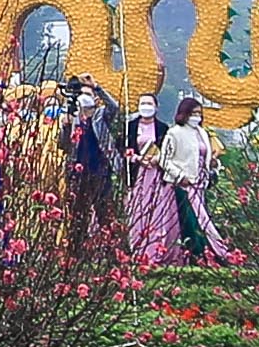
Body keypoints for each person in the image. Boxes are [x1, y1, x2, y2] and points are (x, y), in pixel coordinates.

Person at [160, 105, 237, 263]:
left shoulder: (202, 133)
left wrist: (211, 164)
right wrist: (180, 175)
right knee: (192, 221)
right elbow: (164, 159)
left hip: (200, 183)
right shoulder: (174, 133)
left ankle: (210, 254)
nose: (197, 117)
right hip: (182, 185)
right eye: (193, 113)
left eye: (199, 114)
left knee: (203, 219)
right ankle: (200, 254)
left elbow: (203, 155)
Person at [122, 104, 183, 264]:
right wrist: (136, 158)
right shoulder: (130, 126)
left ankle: (156, 251)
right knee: (137, 210)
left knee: (157, 209)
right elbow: (122, 147)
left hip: (156, 173)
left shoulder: (163, 128)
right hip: (137, 174)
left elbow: (169, 151)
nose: (146, 107)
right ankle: (136, 248)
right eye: (143, 103)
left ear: (156, 107)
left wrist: (157, 159)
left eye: (149, 104)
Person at [62, 87, 118, 254]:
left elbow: (114, 107)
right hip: (78, 173)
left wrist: (97, 88)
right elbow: (64, 146)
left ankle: (112, 252)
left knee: (105, 213)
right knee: (78, 215)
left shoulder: (100, 117)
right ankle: (75, 253)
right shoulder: (73, 121)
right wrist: (66, 127)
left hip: (100, 171)